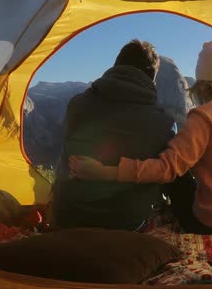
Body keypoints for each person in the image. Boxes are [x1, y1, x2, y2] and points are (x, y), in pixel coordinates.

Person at [70, 40, 212, 239]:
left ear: (201, 84)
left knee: (177, 174)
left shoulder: (204, 117)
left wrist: (106, 172)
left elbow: (166, 169)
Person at [52, 39, 181, 231]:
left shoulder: (77, 105)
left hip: (67, 218)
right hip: (128, 224)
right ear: (152, 78)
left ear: (115, 67)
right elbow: (170, 176)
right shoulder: (165, 124)